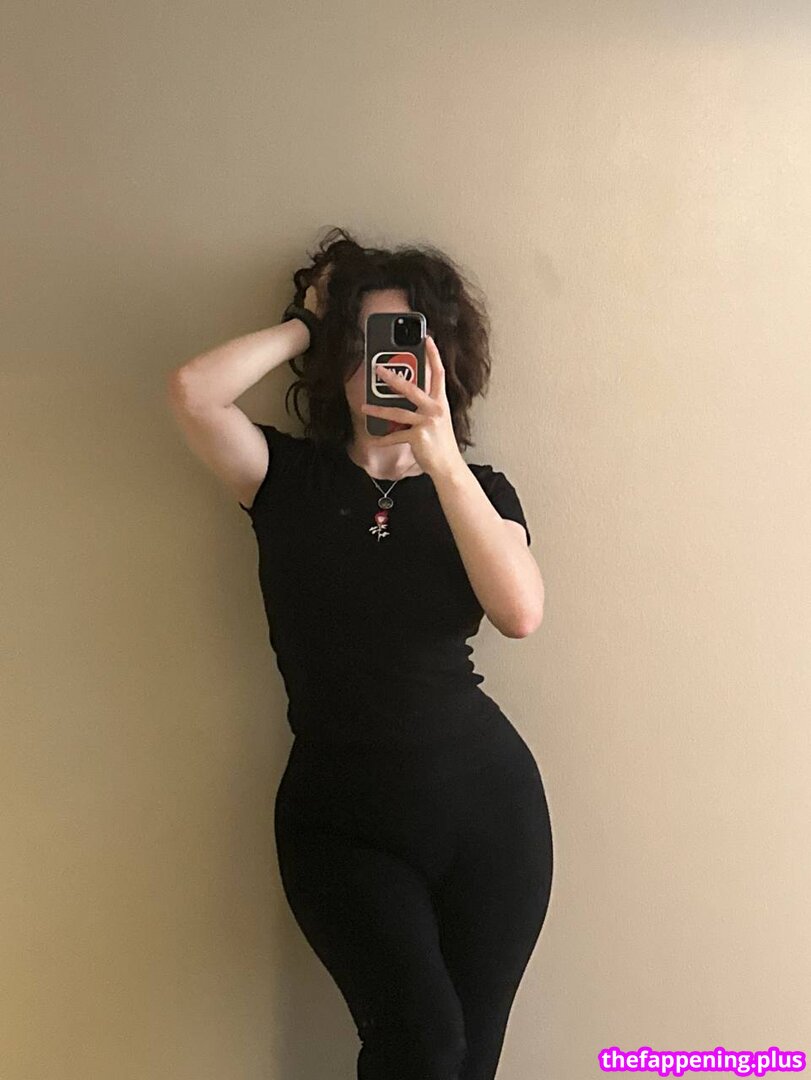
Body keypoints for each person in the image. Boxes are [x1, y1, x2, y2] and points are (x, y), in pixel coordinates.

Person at [167, 228, 554, 1080]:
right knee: (421, 1047)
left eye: (404, 342)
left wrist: (440, 459)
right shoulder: (284, 477)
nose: (384, 363)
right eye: (366, 339)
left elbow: (519, 613)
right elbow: (194, 392)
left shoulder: (481, 493)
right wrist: (308, 321)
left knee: (470, 1062)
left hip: (489, 817)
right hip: (339, 822)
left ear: (443, 361)